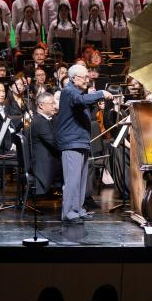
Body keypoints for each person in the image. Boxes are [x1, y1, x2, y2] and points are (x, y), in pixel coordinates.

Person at [56, 64, 113, 223]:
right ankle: (69, 212)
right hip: (71, 141)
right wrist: (101, 93)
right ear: (74, 78)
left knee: (81, 179)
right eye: (85, 77)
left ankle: (78, 209)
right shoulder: (68, 91)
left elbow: (81, 104)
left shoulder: (77, 93)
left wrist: (96, 101)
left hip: (80, 141)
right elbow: (79, 101)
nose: (87, 80)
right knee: (72, 180)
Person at [29, 92, 62, 194]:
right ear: (41, 105)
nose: (54, 106)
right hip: (46, 163)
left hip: (51, 157)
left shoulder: (52, 118)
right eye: (52, 103)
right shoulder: (39, 122)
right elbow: (56, 144)